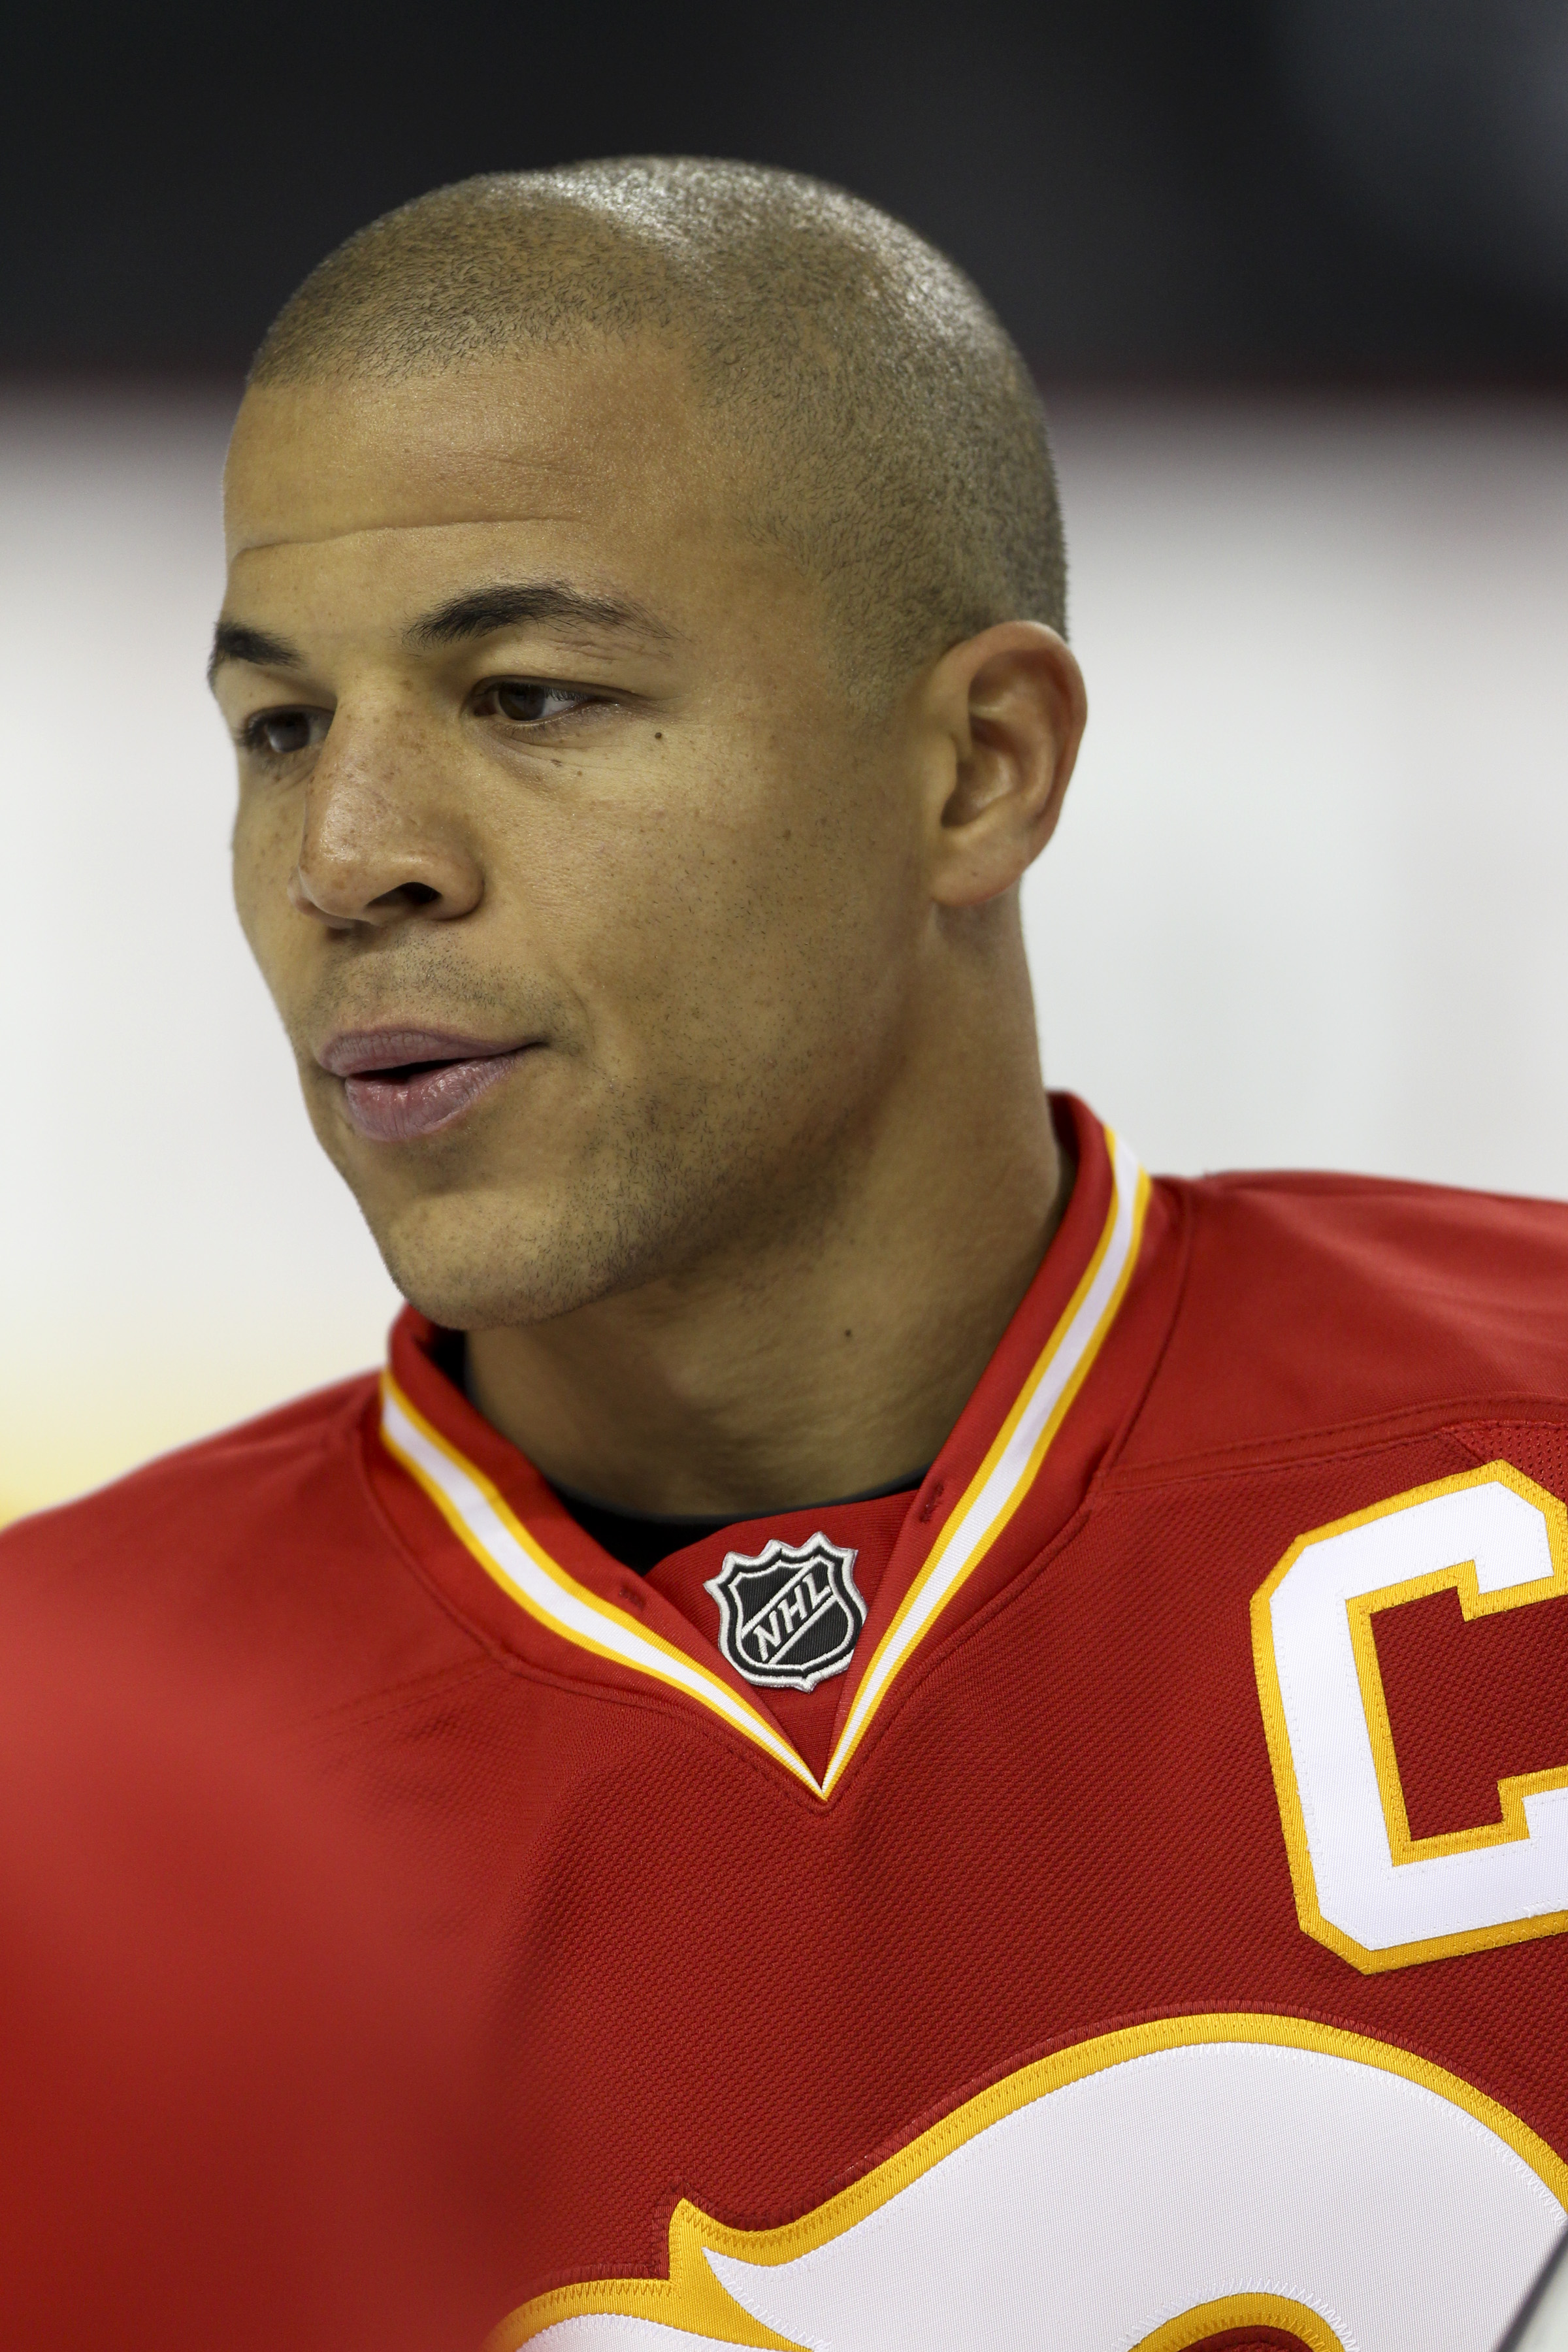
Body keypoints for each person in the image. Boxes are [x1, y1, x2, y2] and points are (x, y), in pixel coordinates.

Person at [5, 156, 1567, 2351]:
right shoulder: (58, 1796)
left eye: (530, 696)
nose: (347, 858)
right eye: (278, 730)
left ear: (980, 770)